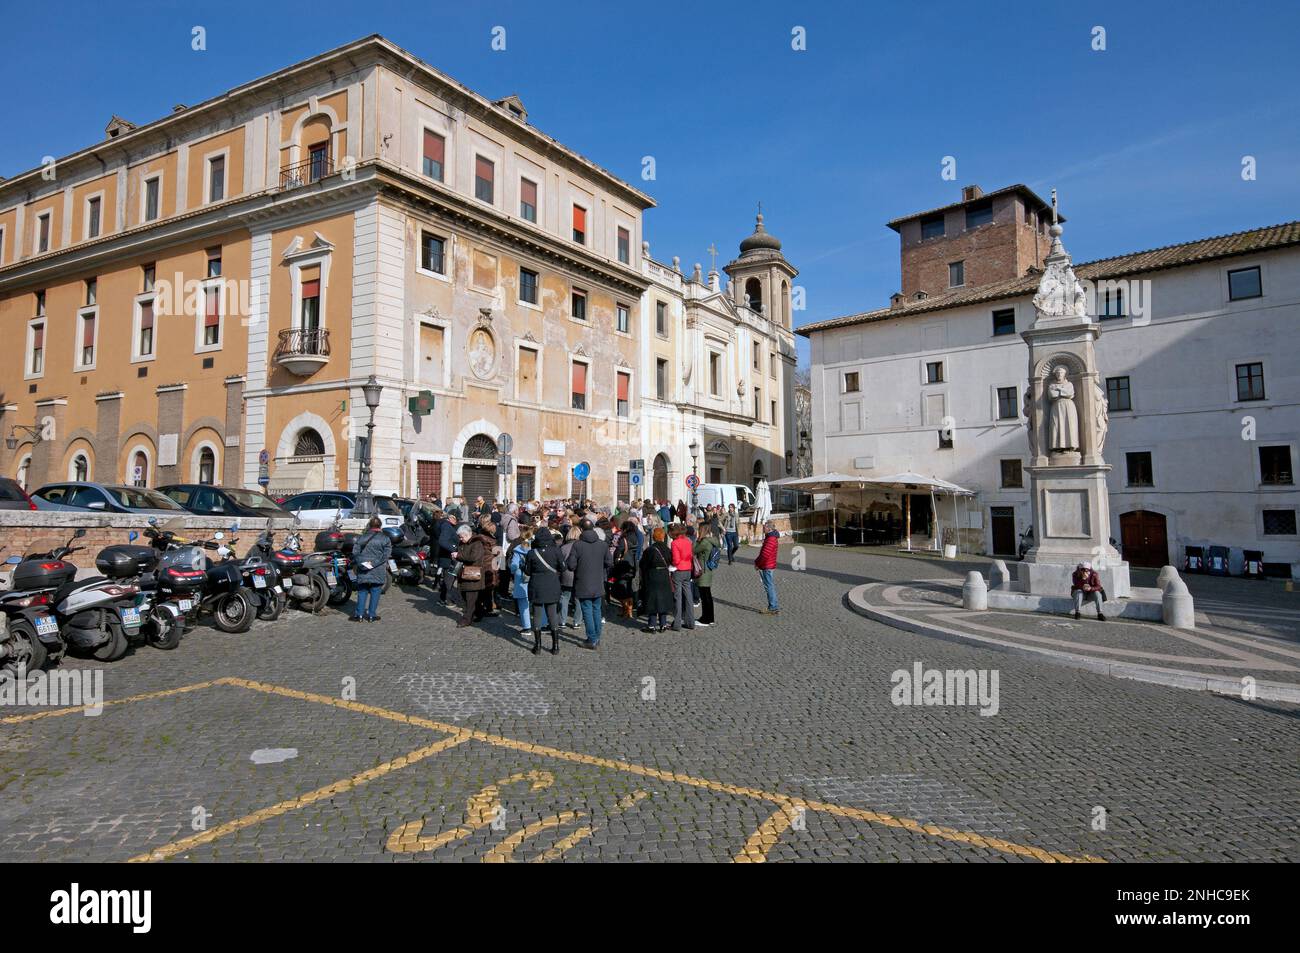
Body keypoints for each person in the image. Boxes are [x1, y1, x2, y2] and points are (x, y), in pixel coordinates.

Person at [566, 518, 613, 649]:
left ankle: (592, 638)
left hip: (583, 582)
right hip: (598, 581)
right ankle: (596, 637)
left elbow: (571, 565)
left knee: (587, 610)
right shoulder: (602, 544)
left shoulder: (578, 545)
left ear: (581, 529)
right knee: (596, 610)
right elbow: (609, 563)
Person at [524, 527, 564, 655]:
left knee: (537, 615)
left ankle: (538, 646)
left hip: (536, 585)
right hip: (552, 585)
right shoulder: (556, 551)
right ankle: (556, 646)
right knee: (552, 615)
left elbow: (527, 571)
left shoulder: (532, 553)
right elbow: (563, 568)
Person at [351, 517, 392, 623]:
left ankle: (359, 615)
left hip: (363, 568)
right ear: (380, 526)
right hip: (377, 569)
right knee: (375, 591)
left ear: (369, 525)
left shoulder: (361, 538)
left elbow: (355, 552)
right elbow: (386, 556)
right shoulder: (385, 539)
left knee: (362, 591)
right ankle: (371, 615)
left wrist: (363, 564)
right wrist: (373, 564)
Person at [450, 523, 490, 627]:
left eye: (461, 537)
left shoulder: (477, 543)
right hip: (465, 574)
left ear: (468, 535)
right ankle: (479, 613)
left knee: (470, 599)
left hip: (473, 575)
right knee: (469, 597)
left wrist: (458, 555)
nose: (460, 538)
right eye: (459, 537)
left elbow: (473, 557)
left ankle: (466, 619)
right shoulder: (463, 542)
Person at [639, 526, 674, 632]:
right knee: (663, 599)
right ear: (663, 537)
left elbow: (643, 564)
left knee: (652, 600)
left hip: (652, 575)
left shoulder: (650, 550)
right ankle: (663, 624)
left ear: (654, 537)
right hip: (664, 574)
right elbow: (670, 561)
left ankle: (652, 624)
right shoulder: (667, 549)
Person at [668, 523, 696, 631]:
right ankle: (690, 622)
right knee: (688, 596)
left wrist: (672, 565)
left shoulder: (675, 543)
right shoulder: (688, 541)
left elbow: (676, 560)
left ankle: (677, 623)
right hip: (688, 569)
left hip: (678, 570)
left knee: (677, 597)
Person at [507, 526, 534, 632]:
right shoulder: (535, 548)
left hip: (521, 579)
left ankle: (527, 627)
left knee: (523, 604)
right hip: (534, 578)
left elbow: (513, 566)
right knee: (538, 604)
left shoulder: (518, 549)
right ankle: (542, 624)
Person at [693, 525, 720, 627]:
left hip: (703, 571)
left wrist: (696, 539)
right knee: (707, 595)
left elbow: (694, 550)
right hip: (708, 571)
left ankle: (706, 619)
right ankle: (710, 618)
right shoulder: (712, 540)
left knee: (705, 596)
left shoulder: (704, 542)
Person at [755, 520, 780, 615]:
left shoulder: (771, 539)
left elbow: (765, 555)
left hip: (767, 566)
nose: (763, 528)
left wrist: (757, 564)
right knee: (769, 586)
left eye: (764, 527)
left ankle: (773, 607)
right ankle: (773, 606)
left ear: (769, 528)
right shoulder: (770, 537)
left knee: (769, 586)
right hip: (768, 565)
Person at [559, 527, 580, 628]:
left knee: (564, 597)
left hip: (566, 575)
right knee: (578, 599)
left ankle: (562, 620)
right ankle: (577, 621)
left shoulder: (563, 547)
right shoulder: (582, 547)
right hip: (578, 575)